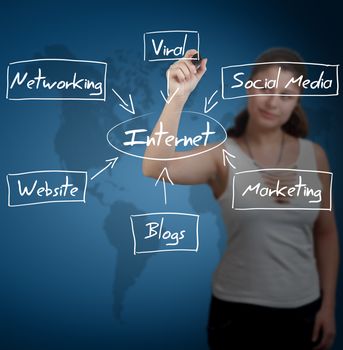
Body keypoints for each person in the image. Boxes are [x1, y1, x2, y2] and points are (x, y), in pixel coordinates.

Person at [142, 47, 339, 350]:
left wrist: (327, 305)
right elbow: (155, 167)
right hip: (237, 314)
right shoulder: (222, 155)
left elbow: (325, 233)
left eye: (286, 95)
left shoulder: (316, 156)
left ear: (297, 101)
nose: (273, 102)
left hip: (305, 311)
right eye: (265, 88)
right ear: (249, 86)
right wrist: (177, 96)